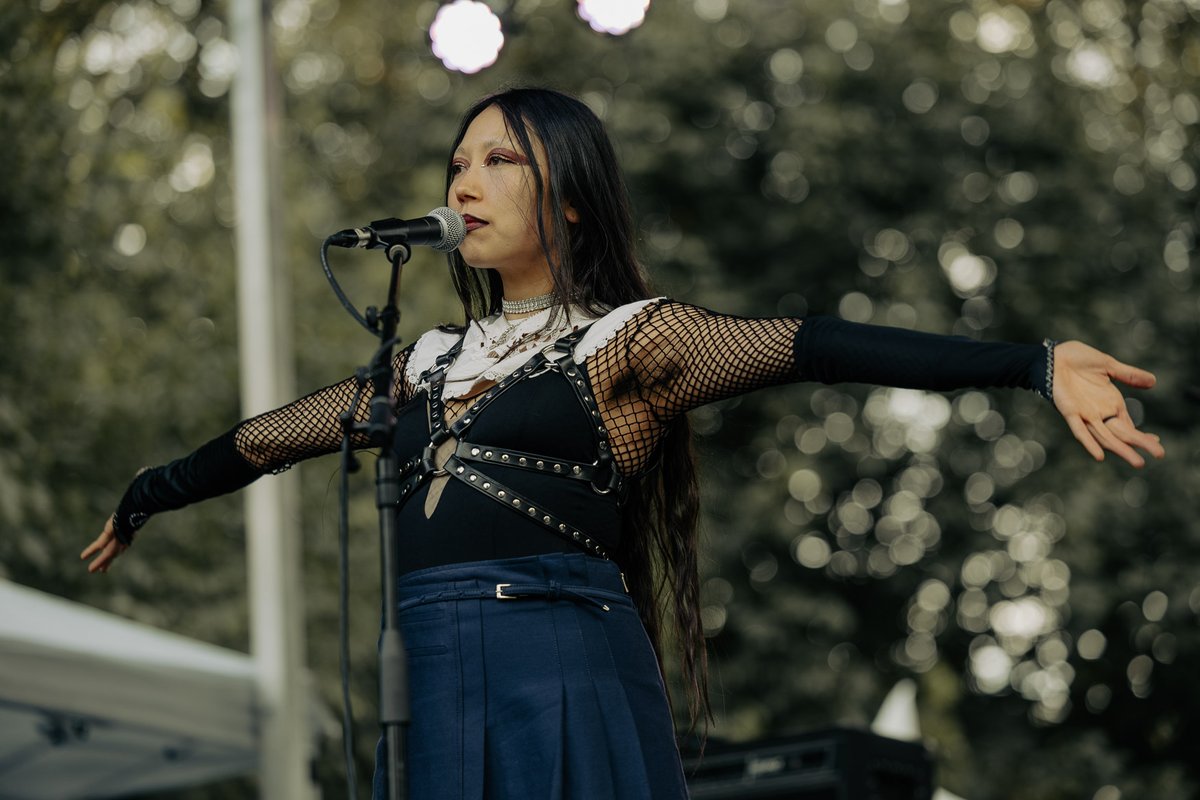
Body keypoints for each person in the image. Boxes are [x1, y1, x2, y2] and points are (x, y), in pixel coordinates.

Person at [82, 87, 1165, 799]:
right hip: (434, 679)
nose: (464, 179)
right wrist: (148, 491)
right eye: (459, 159)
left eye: (501, 158)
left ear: (574, 196)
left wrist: (1031, 362)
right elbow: (269, 439)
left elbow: (815, 345)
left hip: (559, 661)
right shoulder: (415, 362)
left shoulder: (631, 342)